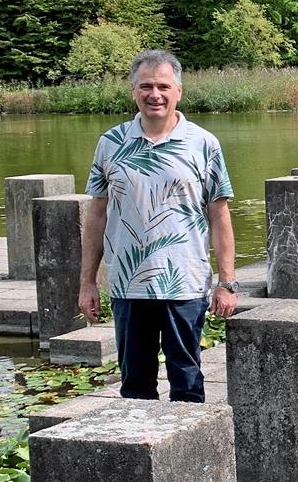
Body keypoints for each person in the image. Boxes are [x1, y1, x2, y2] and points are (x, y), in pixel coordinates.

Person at [78, 50, 238, 402]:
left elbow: (219, 215)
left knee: (187, 383)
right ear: (133, 91)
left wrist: (226, 282)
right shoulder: (111, 143)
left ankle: (192, 457)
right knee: (135, 386)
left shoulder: (203, 144)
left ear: (178, 91)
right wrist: (88, 282)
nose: (155, 94)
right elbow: (97, 215)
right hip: (128, 285)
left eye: (163, 86)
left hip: (185, 283)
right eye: (146, 86)